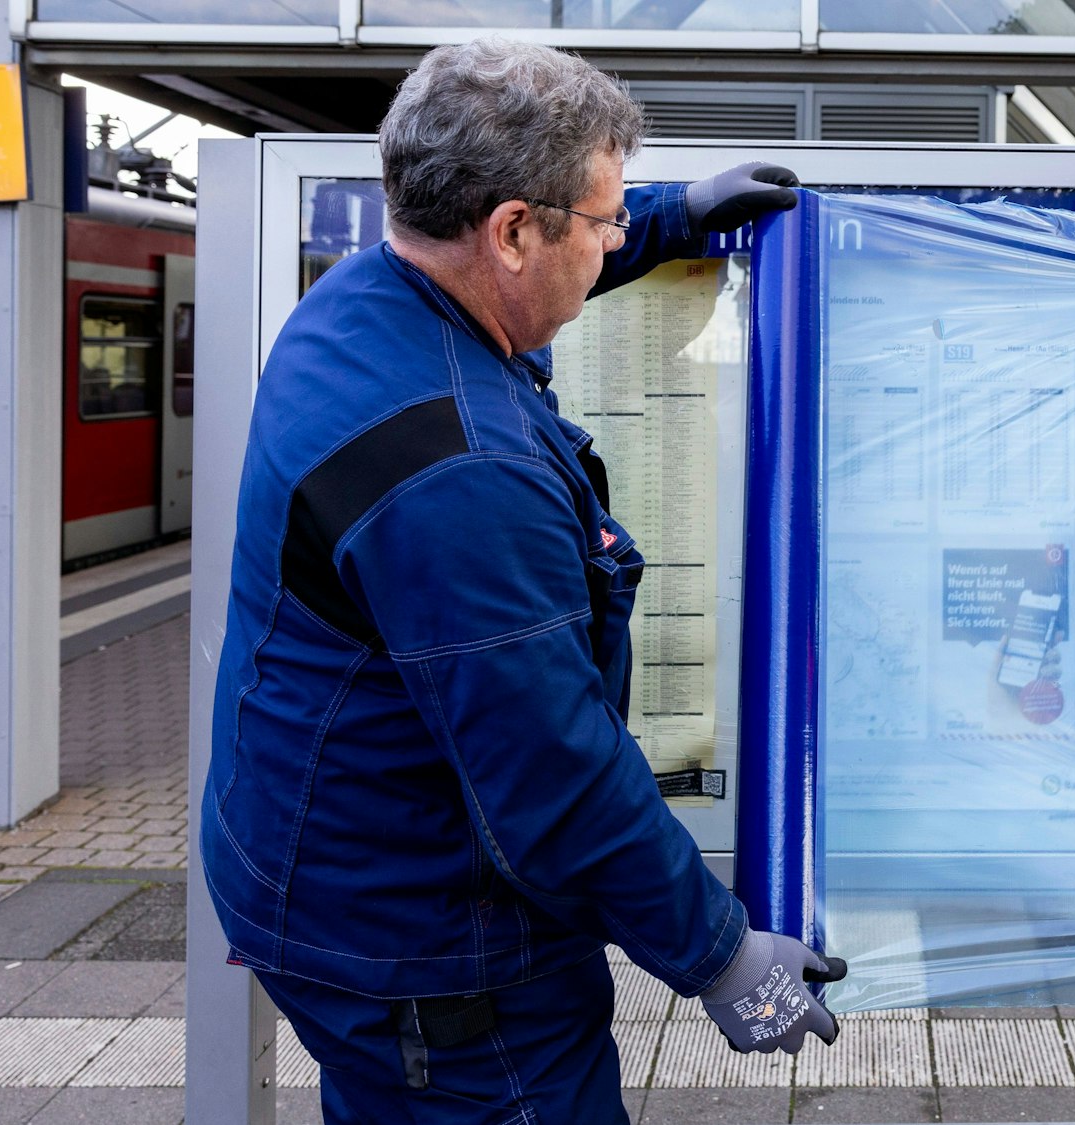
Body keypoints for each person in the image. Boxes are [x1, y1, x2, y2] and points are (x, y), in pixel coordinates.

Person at [202, 38, 843, 1123]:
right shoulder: (458, 472)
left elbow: (534, 248)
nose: (609, 241)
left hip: (334, 872)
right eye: (602, 222)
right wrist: (722, 956)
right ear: (510, 229)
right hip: (437, 963)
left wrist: (674, 218)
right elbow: (553, 772)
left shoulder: (367, 300)